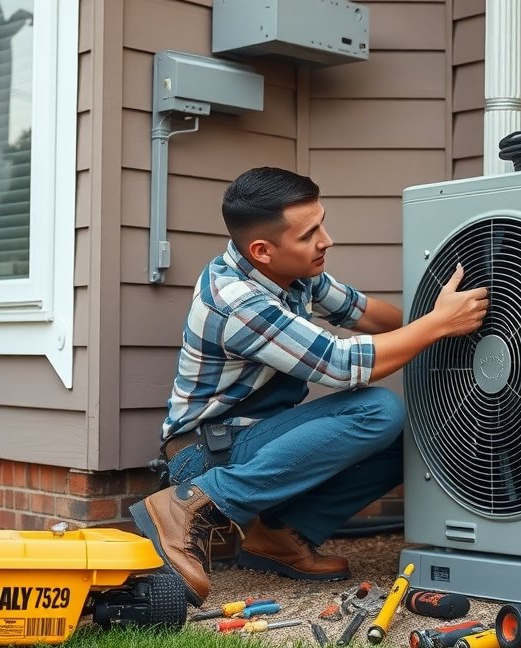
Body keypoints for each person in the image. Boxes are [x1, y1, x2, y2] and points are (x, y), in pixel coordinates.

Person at [129, 167, 488, 607]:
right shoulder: (237, 301)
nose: (326, 239)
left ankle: (279, 537)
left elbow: (368, 314)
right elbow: (343, 364)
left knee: (418, 437)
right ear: (262, 249)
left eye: (322, 222)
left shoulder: (292, 274)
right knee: (377, 410)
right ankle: (188, 506)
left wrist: (449, 320)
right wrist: (437, 325)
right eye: (310, 233)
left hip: (252, 436)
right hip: (204, 453)